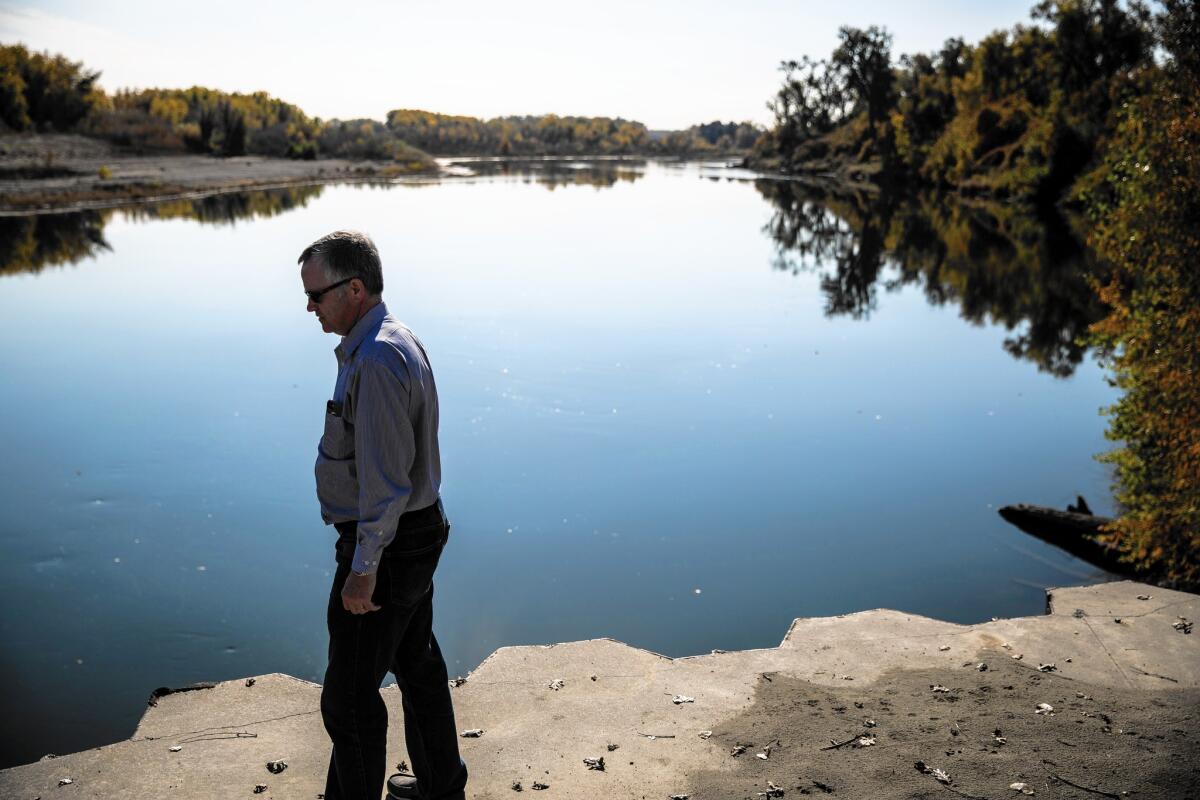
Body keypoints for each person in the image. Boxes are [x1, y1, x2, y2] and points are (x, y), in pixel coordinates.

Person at [299, 230, 467, 800]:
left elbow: (387, 482)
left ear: (354, 288)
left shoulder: (375, 359)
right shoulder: (395, 340)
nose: (309, 307)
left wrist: (364, 565)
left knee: (347, 701)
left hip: (388, 546)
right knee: (416, 667)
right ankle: (443, 788)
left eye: (317, 295)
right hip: (412, 535)